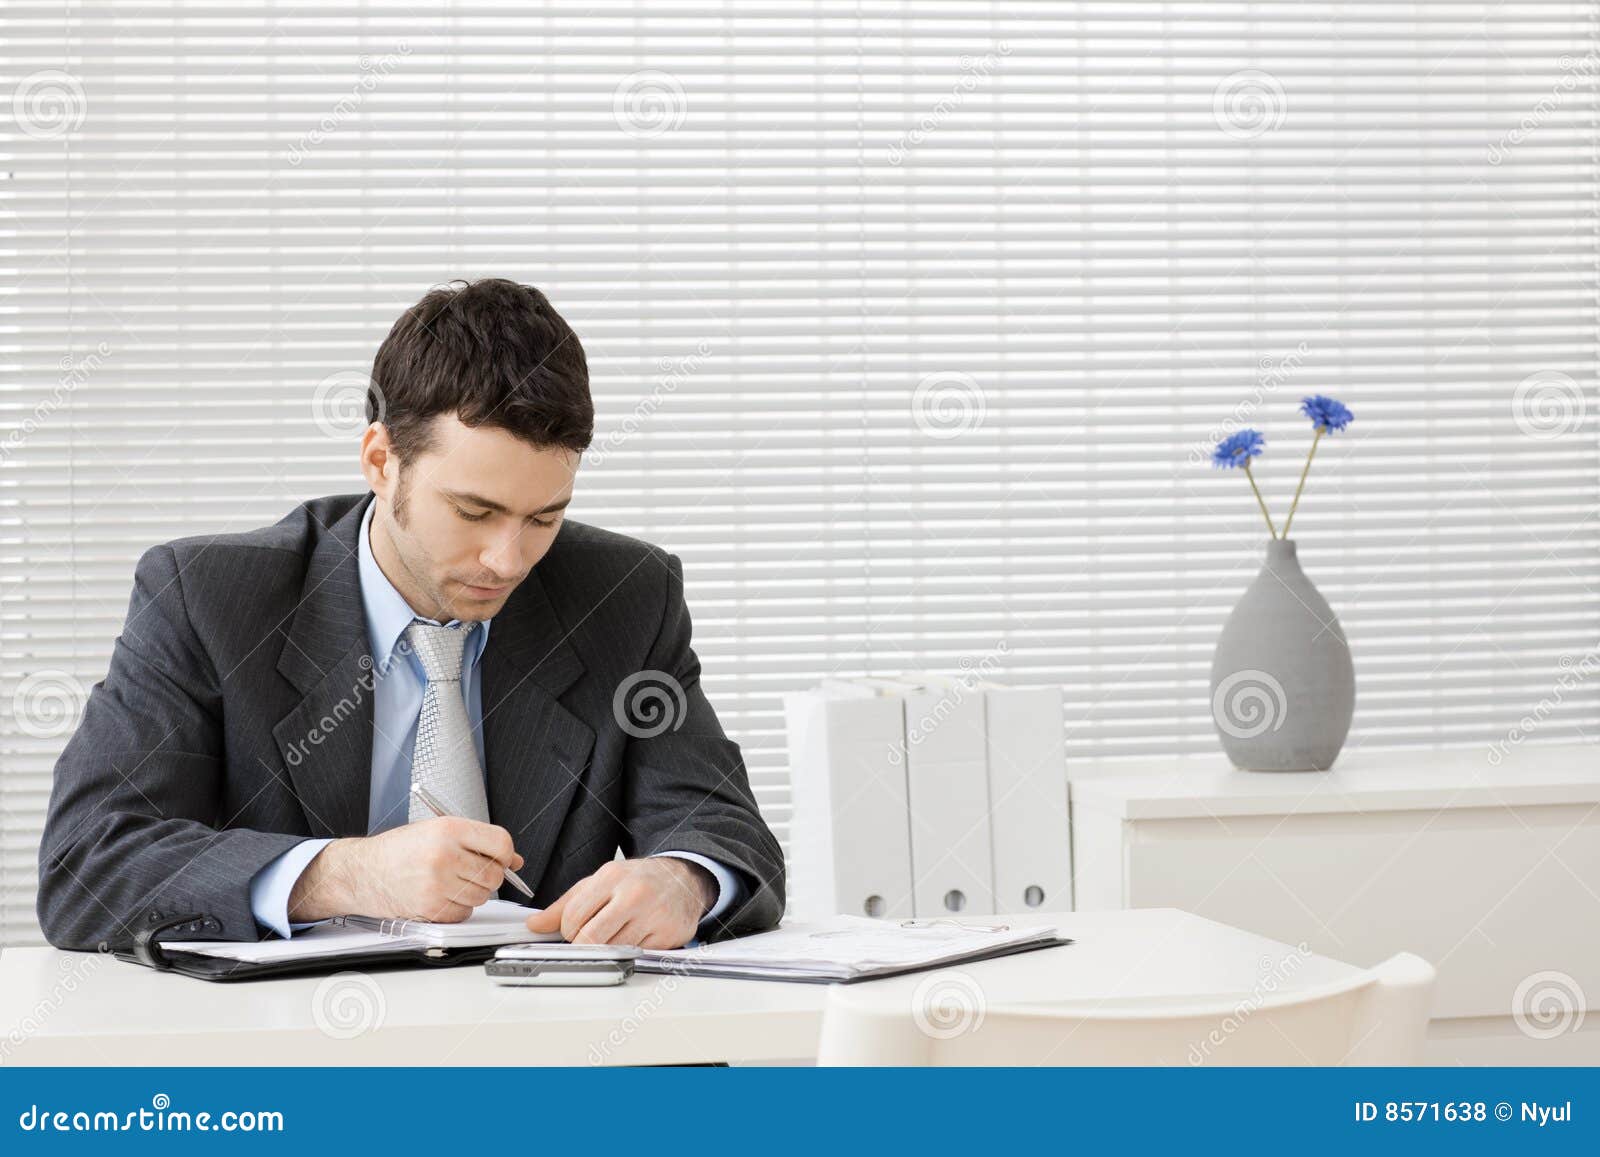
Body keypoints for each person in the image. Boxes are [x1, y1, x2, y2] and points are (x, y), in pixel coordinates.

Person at [36, 278, 785, 952]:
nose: (509, 558)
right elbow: (89, 861)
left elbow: (721, 825)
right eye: (474, 510)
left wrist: (684, 880)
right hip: (295, 1054)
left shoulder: (623, 593)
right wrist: (339, 874)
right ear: (379, 460)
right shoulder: (207, 597)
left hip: (548, 1045)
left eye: (544, 517)